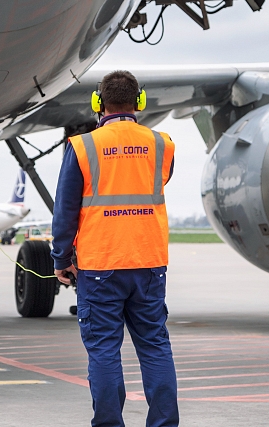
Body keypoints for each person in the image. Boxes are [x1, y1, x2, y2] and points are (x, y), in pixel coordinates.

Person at [51, 70, 179, 427]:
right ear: (139, 102)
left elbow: (66, 211)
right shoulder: (162, 144)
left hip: (100, 265)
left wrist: (61, 259)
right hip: (149, 262)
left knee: (104, 352)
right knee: (154, 347)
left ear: (98, 103)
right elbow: (160, 181)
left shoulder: (82, 146)